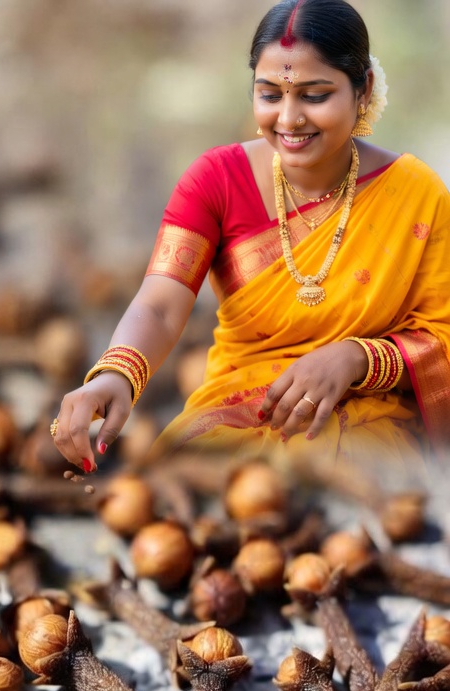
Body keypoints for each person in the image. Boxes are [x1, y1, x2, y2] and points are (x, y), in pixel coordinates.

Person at [50, 0, 450, 483]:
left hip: (372, 426)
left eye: (314, 95)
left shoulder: (415, 194)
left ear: (362, 89)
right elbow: (160, 304)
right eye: (270, 95)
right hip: (234, 416)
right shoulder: (214, 181)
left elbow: (441, 342)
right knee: (173, 492)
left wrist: (355, 358)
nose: (289, 118)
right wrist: (117, 375)